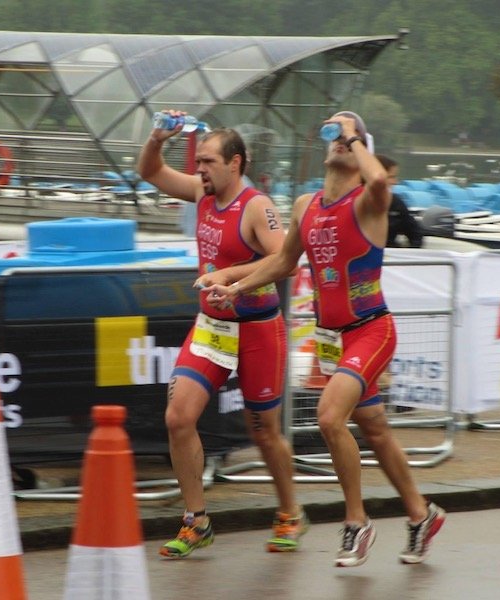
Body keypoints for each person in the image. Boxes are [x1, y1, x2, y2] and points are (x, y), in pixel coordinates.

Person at [205, 111, 445, 567]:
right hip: (334, 338)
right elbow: (282, 263)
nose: (338, 137)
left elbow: (380, 182)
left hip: (373, 330)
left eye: (348, 132)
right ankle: (421, 514)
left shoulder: (368, 201)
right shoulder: (305, 206)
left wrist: (354, 137)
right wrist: (234, 287)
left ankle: (356, 523)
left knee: (329, 417)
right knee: (374, 429)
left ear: (359, 149)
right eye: (333, 130)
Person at [136, 110, 308, 558]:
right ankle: (197, 521)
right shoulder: (202, 193)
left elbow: (286, 260)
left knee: (264, 431)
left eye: (209, 162)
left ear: (237, 163)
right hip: (212, 326)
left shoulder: (257, 207)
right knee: (178, 417)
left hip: (257, 327)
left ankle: (290, 512)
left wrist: (232, 276)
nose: (200, 170)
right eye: (198, 163)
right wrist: (157, 138)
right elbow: (150, 172)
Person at [377, 154, 423, 248]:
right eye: (391, 177)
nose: (395, 182)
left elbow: (415, 233)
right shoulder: (354, 202)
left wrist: (410, 254)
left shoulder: (396, 203)